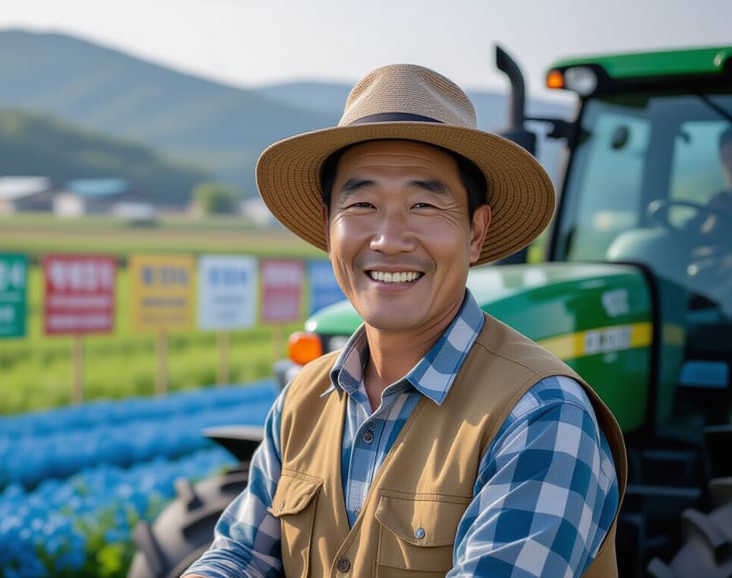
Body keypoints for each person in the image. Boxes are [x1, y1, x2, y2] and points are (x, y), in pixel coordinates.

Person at [182, 64, 627, 577]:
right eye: (362, 204)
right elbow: (240, 555)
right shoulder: (303, 398)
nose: (389, 240)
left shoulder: (541, 414)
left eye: (423, 205)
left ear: (476, 232)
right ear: (328, 227)